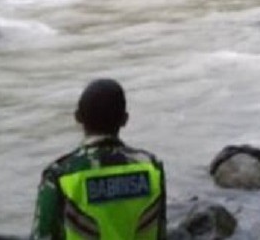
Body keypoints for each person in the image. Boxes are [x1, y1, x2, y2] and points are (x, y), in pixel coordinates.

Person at [32, 79, 166, 240]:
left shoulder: (59, 175)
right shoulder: (152, 167)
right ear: (125, 119)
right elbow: (161, 233)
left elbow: (42, 235)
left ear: (78, 117)